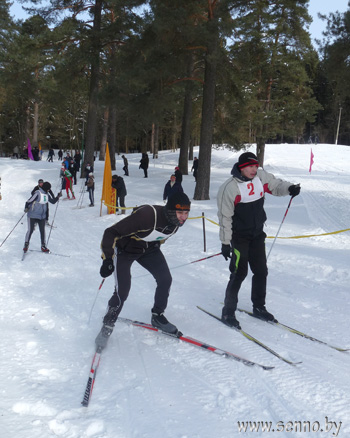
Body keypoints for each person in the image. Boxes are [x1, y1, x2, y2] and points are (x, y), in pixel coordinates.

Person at [95, 192, 191, 349]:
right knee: (123, 290)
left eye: (186, 213)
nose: (183, 217)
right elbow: (111, 232)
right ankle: (108, 324)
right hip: (125, 250)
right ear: (170, 210)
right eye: (180, 212)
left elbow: (158, 238)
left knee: (165, 279)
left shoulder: (175, 225)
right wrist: (107, 259)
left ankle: (157, 316)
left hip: (148, 249)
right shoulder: (147, 216)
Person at [217, 152, 301, 329]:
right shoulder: (230, 188)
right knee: (239, 273)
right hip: (239, 238)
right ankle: (228, 311)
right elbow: (225, 217)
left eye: (256, 166)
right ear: (241, 167)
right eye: (250, 166)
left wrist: (289, 188)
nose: (254, 169)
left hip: (257, 235)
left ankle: (259, 307)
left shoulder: (260, 178)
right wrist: (225, 243)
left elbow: (276, 185)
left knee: (261, 271)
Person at [23, 182, 62, 253]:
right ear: (46, 188)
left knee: (42, 231)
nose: (49, 190)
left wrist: (58, 197)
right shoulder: (37, 193)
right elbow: (28, 201)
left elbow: (52, 202)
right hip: (32, 215)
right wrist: (26, 208)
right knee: (30, 230)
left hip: (42, 216)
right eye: (48, 189)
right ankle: (26, 244)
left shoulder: (46, 194)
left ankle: (43, 246)